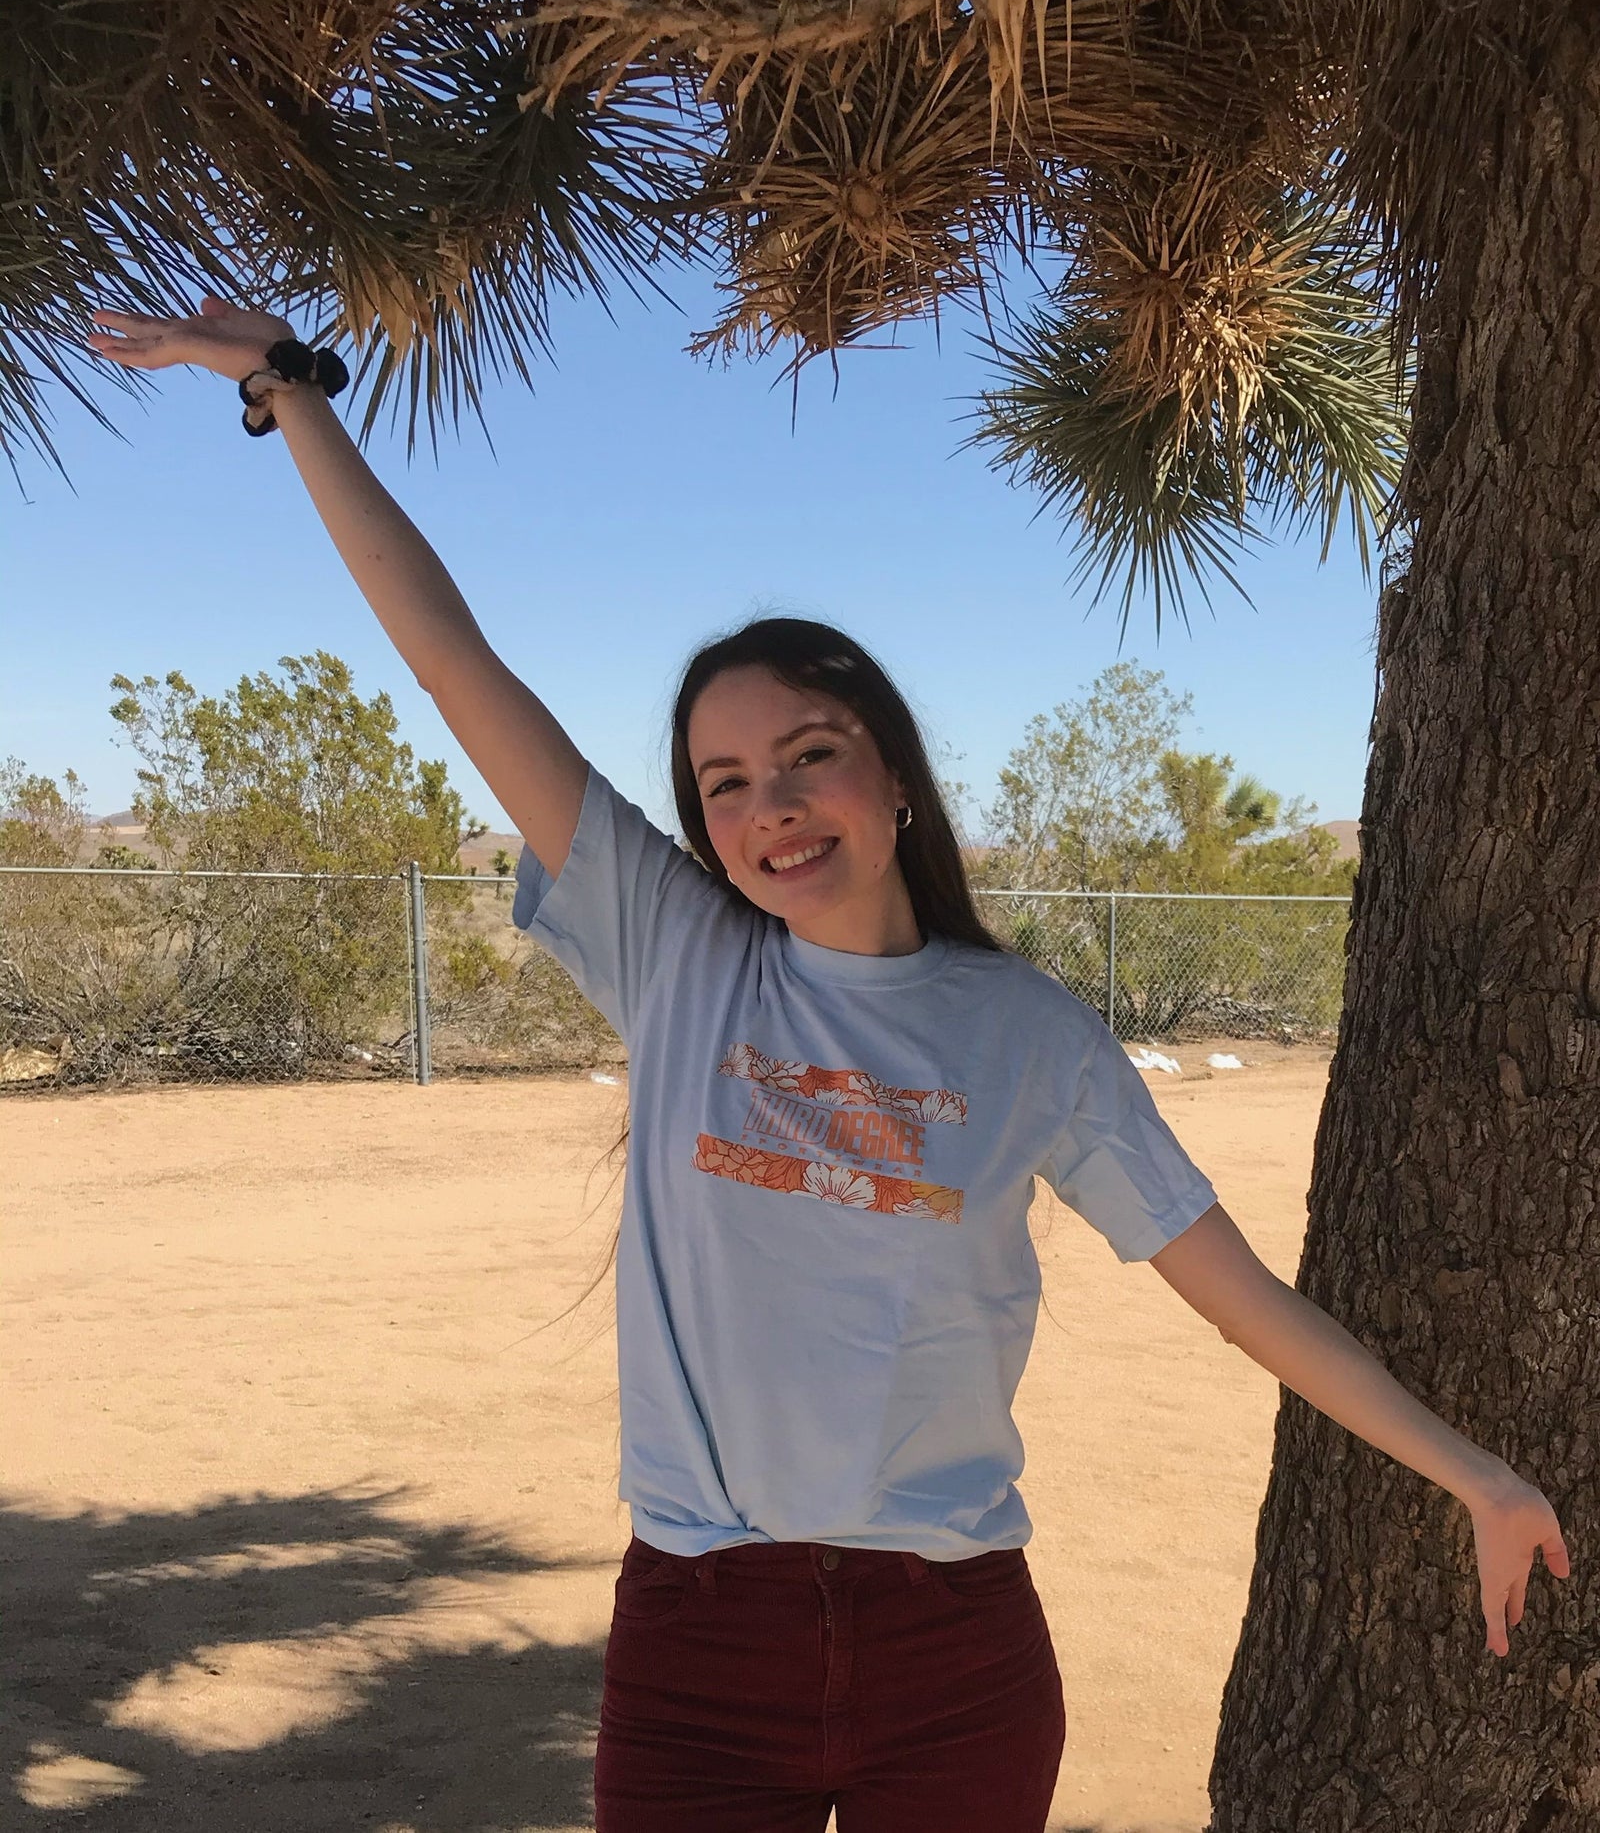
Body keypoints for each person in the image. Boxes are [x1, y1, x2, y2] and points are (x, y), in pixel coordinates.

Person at [87, 299, 1570, 1832]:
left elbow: (1240, 1295)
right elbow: (451, 657)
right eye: (725, 783)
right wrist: (284, 389)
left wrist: (1476, 1476)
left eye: (806, 755)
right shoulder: (677, 954)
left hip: (957, 1651)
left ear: (889, 775)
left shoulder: (1027, 1034)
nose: (771, 807)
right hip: (698, 1643)